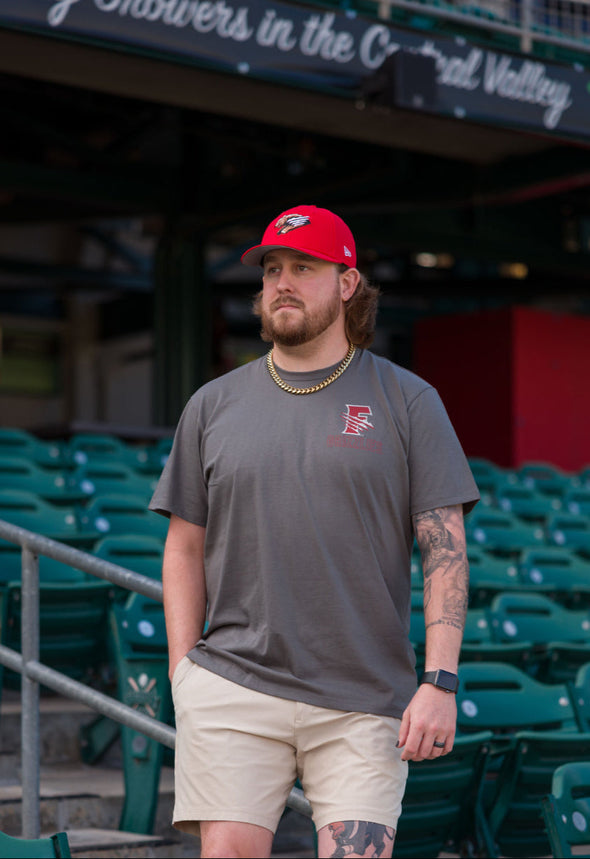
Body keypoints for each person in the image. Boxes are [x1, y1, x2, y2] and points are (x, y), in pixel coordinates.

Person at [149, 204, 479, 859]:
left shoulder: (408, 400)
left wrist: (440, 683)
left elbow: (445, 550)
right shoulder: (212, 404)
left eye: (303, 267)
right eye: (272, 269)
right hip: (234, 683)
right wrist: (183, 670)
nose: (281, 282)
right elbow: (183, 544)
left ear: (348, 283)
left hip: (363, 695)